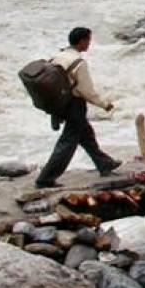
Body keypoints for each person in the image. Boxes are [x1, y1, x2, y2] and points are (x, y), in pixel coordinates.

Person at [35, 27, 121, 188]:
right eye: (88, 40)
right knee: (68, 142)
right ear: (81, 41)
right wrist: (104, 104)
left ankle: (104, 164)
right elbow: (86, 91)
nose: (89, 43)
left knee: (86, 134)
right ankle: (45, 179)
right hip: (75, 104)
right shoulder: (78, 63)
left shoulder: (58, 56)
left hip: (61, 103)